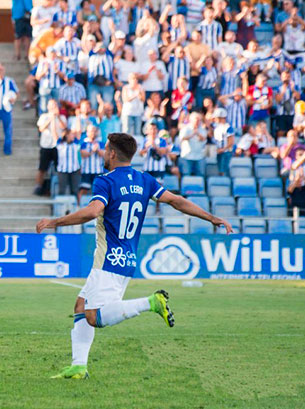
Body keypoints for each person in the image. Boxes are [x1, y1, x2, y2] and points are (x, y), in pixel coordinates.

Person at [36, 132, 232, 379]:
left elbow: (91, 211)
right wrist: (211, 217)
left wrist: (54, 221)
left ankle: (151, 302)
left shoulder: (105, 181)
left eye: (106, 150)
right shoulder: (144, 180)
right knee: (80, 306)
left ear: (113, 153)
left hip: (108, 261)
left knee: (93, 316)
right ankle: (78, 366)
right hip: (127, 259)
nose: (104, 153)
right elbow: (177, 201)